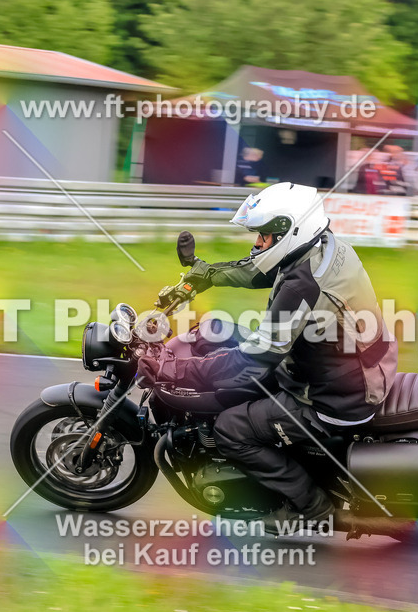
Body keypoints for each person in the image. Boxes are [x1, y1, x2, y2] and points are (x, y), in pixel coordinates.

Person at [138, 182, 398, 533]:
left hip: (335, 395)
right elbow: (262, 269)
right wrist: (206, 276)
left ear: (290, 231)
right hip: (346, 363)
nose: (257, 243)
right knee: (217, 328)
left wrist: (177, 369)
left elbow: (257, 357)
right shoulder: (322, 247)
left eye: (264, 236)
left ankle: (313, 508)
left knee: (231, 428)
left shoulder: (302, 286)